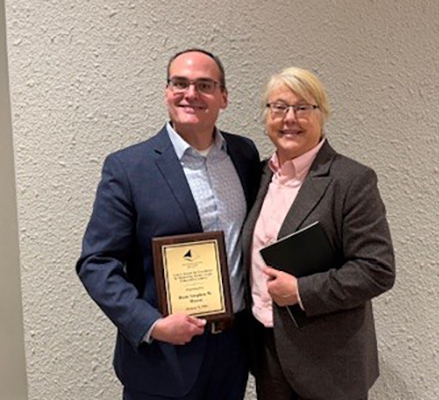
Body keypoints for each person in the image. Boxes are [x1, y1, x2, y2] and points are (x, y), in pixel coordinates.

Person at [77, 49, 260, 400]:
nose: (190, 93)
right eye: (180, 83)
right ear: (166, 92)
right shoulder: (129, 167)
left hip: (234, 350)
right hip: (164, 359)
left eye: (204, 85)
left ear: (224, 97)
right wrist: (152, 324)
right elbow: (96, 263)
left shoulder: (244, 154)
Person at [242, 67, 395, 400]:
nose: (289, 118)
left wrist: (301, 291)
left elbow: (377, 270)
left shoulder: (351, 181)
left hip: (328, 364)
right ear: (266, 116)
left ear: (321, 115)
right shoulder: (257, 178)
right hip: (268, 352)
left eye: (302, 107)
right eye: (278, 107)